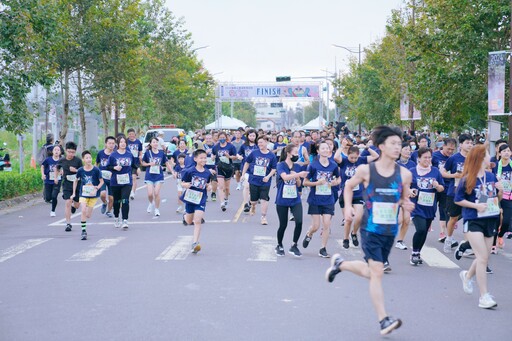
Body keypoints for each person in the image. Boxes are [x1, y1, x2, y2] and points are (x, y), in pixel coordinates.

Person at [325, 126, 414, 336]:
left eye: (399, 144)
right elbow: (348, 186)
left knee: (371, 271)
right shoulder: (367, 170)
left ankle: (341, 264)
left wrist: (406, 204)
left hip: (389, 230)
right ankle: (384, 319)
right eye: (392, 143)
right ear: (381, 146)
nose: (397, 147)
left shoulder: (405, 174)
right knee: (377, 273)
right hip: (370, 228)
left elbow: (403, 198)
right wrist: (347, 207)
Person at [454, 144, 501, 309]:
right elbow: (457, 199)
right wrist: (475, 206)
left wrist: (500, 191)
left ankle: (467, 275)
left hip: (490, 219)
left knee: (484, 257)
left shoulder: (491, 176)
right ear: (481, 158)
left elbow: (495, 198)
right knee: (482, 258)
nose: (490, 156)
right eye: (487, 154)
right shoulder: (467, 179)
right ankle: (484, 296)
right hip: (473, 220)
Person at [302, 141, 341, 258]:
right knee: (316, 226)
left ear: (330, 151)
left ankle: (323, 248)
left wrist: (335, 182)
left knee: (327, 224)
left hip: (328, 199)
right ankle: (309, 233)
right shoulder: (313, 165)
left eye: (327, 148)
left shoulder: (333, 165)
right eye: (322, 148)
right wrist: (317, 183)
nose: (325, 150)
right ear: (318, 151)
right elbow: (305, 182)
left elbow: (339, 179)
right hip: (315, 199)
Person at [335, 145, 379, 249]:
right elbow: (336, 157)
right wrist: (342, 146)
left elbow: (376, 156)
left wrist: (367, 148)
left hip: (358, 193)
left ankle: (354, 233)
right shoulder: (344, 161)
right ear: (348, 155)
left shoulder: (362, 160)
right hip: (346, 194)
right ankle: (346, 238)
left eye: (355, 157)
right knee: (348, 219)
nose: (353, 160)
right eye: (351, 158)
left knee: (359, 217)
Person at [409, 147, 445, 265]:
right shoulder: (412, 171)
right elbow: (404, 186)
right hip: (416, 206)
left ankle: (418, 252)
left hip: (430, 207)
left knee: (424, 232)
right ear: (418, 158)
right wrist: (410, 191)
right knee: (420, 229)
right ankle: (414, 253)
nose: (428, 159)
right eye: (425, 157)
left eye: (429, 157)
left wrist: (437, 186)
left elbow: (441, 188)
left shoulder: (435, 171)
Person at [274, 144, 309, 257]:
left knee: (299, 221)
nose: (297, 155)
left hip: (295, 199)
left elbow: (299, 184)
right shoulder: (281, 165)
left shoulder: (297, 166)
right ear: (288, 153)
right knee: (283, 224)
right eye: (295, 153)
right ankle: (279, 245)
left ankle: (294, 245)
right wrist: (297, 174)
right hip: (282, 200)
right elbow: (284, 177)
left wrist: (298, 177)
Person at [441, 133, 474, 253]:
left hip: (469, 193)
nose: (470, 145)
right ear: (461, 145)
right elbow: (443, 172)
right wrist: (453, 175)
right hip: (454, 192)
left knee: (468, 218)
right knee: (453, 218)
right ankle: (448, 239)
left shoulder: (474, 158)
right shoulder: (453, 158)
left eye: (471, 143)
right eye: (467, 143)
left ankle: (466, 246)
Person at [241, 136, 278, 225]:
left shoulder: (271, 155)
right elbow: (247, 163)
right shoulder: (254, 153)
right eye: (259, 143)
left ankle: (263, 217)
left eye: (261, 142)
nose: (259, 144)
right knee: (253, 200)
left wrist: (268, 176)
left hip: (265, 181)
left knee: (264, 199)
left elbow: (274, 168)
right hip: (253, 180)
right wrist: (243, 174)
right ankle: (253, 206)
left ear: (266, 142)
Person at [181, 149, 212, 253]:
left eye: (205, 158)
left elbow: (208, 183)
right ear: (195, 159)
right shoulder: (189, 171)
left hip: (201, 198)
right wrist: (185, 185)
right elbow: (182, 183)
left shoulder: (207, 172)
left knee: (197, 220)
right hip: (190, 197)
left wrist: (209, 186)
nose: (203, 159)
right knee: (189, 221)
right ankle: (185, 215)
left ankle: (195, 243)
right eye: (201, 158)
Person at [71, 151, 104, 240]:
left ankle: (85, 221)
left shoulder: (96, 170)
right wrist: (74, 193)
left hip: (93, 195)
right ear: (83, 160)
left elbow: (101, 181)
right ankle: (83, 231)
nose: (89, 159)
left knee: (88, 215)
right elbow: (76, 180)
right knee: (83, 210)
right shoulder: (81, 170)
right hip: (84, 194)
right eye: (87, 158)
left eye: (90, 157)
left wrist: (97, 188)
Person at [107, 135, 136, 229]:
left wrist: (137, 170)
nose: (123, 144)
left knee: (125, 200)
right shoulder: (113, 155)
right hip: (115, 181)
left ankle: (125, 220)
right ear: (118, 144)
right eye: (121, 142)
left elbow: (134, 165)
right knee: (116, 201)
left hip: (127, 181)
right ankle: (116, 217)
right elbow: (108, 167)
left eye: (124, 142)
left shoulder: (129, 154)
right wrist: (114, 168)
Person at [432, 138, 457, 242]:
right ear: (443, 146)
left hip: (447, 186)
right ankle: (428, 223)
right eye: (448, 149)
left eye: (452, 149)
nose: (450, 151)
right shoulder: (435, 156)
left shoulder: (454, 158)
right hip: (434, 187)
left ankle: (443, 233)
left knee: (444, 209)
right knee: (432, 209)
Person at [55, 141, 82, 232]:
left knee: (77, 205)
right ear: (66, 151)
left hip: (77, 184)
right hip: (67, 184)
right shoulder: (62, 160)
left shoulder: (78, 160)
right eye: (69, 152)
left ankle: (74, 206)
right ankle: (68, 223)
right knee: (68, 202)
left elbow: (82, 171)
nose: (71, 154)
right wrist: (56, 177)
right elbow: (57, 168)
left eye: (73, 152)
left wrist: (76, 170)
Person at [141, 137, 171, 217]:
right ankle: (151, 203)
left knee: (156, 193)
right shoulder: (147, 153)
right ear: (150, 144)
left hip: (159, 175)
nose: (155, 144)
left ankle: (157, 209)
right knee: (150, 194)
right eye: (153, 142)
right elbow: (143, 163)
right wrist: (149, 164)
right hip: (149, 175)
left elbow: (167, 163)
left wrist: (173, 172)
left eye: (156, 142)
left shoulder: (161, 153)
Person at [212, 132, 239, 211]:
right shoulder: (216, 147)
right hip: (219, 167)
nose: (222, 139)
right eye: (220, 137)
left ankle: (226, 199)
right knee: (220, 186)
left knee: (226, 188)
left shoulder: (231, 146)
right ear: (218, 138)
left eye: (223, 137)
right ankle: (222, 203)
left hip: (228, 168)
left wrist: (229, 156)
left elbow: (235, 157)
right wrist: (212, 157)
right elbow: (213, 155)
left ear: (226, 137)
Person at [239, 130, 259, 212]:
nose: (252, 137)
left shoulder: (258, 145)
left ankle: (252, 201)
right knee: (246, 186)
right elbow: (238, 153)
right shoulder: (244, 146)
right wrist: (239, 156)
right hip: (246, 169)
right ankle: (246, 204)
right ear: (247, 136)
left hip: (256, 170)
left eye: (253, 136)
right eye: (250, 136)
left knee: (253, 188)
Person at [96, 136, 116, 218]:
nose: (111, 145)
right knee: (102, 194)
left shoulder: (116, 154)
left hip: (112, 178)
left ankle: (108, 211)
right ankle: (104, 203)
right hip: (102, 178)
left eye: (113, 143)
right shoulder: (101, 153)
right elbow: (96, 164)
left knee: (111, 198)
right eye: (109, 143)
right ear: (106, 144)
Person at [41, 144, 63, 216]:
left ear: (60, 152)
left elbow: (65, 169)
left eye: (58, 150)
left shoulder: (61, 160)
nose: (56, 151)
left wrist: (62, 172)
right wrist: (43, 174)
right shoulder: (48, 159)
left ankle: (53, 211)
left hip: (57, 180)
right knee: (48, 197)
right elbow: (42, 166)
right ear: (52, 151)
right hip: (48, 180)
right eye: (55, 150)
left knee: (54, 196)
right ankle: (48, 198)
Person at [127, 128, 143, 200]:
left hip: (135, 162)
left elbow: (140, 151)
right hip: (127, 162)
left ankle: (133, 192)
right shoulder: (126, 142)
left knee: (134, 177)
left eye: (132, 134)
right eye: (130, 134)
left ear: (135, 134)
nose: (131, 135)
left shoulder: (138, 142)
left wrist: (140, 159)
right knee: (128, 178)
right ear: (128, 135)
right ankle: (128, 190)